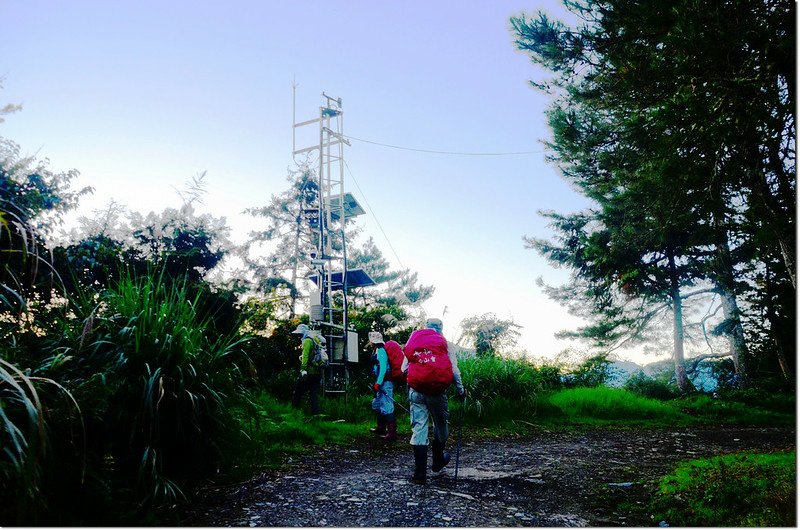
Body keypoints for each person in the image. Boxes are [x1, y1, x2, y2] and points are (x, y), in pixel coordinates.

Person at [403, 318, 465, 485]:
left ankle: (419, 475)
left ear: (426, 327)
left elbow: (404, 369)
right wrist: (460, 390)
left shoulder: (414, 340)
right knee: (441, 425)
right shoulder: (445, 344)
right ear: (441, 328)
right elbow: (453, 370)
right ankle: (438, 460)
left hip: (416, 391)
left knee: (419, 429)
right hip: (437, 393)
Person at [368, 331, 396, 441]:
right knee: (377, 404)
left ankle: (392, 433)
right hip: (381, 382)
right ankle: (381, 428)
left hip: (385, 382)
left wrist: (378, 382)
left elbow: (383, 368)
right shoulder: (377, 351)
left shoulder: (381, 351)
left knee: (387, 405)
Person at [290, 323, 322, 415]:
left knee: (298, 392)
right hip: (316, 372)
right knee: (314, 396)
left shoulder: (307, 341)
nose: (299, 336)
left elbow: (306, 356)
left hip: (308, 373)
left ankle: (293, 413)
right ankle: (316, 415)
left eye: (300, 334)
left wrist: (303, 369)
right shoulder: (315, 339)